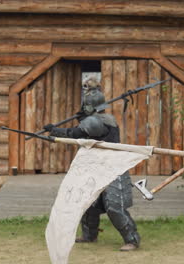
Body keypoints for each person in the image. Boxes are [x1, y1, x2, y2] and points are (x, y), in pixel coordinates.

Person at [48, 78, 140, 251]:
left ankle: (132, 239)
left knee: (114, 207)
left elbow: (75, 134)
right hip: (96, 167)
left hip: (113, 168)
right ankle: (89, 235)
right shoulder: (97, 119)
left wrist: (55, 131)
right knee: (86, 201)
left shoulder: (100, 121)